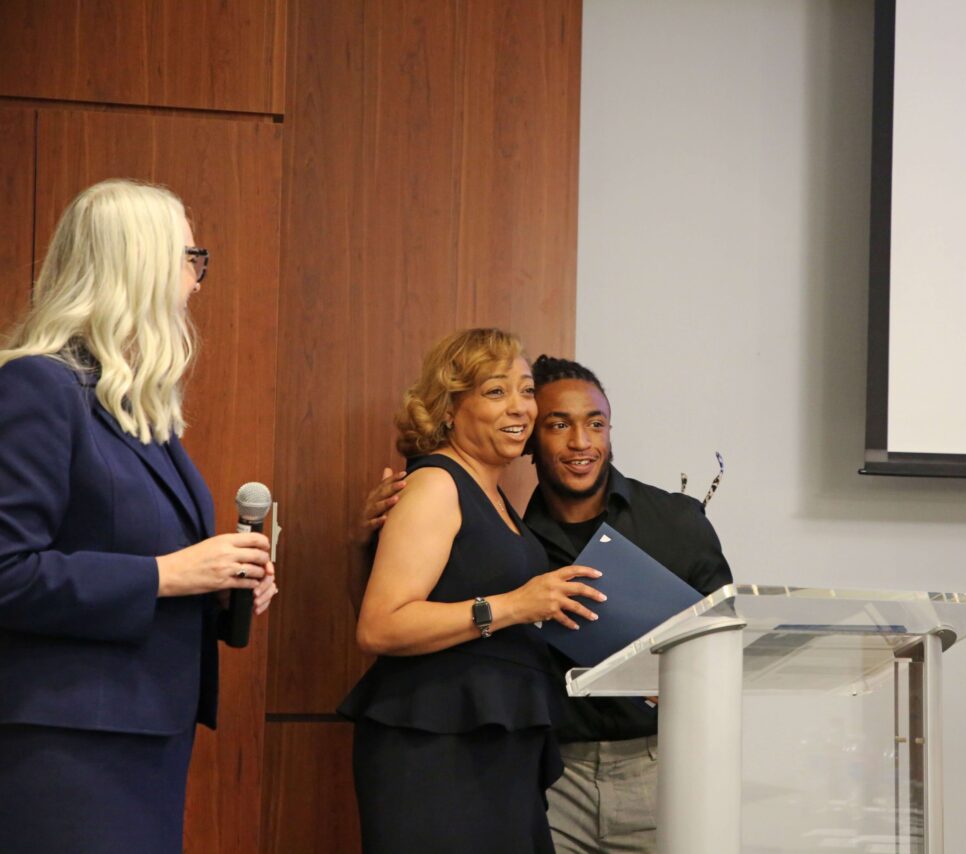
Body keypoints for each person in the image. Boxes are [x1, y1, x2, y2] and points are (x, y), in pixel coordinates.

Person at [0, 179, 278, 854]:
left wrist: (220, 586)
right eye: (191, 258)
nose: (197, 281)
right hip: (68, 747)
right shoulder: (39, 386)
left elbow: (144, 561)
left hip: (144, 736)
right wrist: (169, 575)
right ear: (141, 265)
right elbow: (8, 572)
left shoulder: (128, 401)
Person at [357, 354, 733, 853]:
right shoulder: (513, 539)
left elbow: (724, 641)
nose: (581, 442)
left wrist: (686, 679)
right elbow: (396, 616)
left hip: (654, 764)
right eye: (558, 425)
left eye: (596, 424)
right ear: (531, 439)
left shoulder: (676, 521)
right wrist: (369, 538)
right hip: (551, 772)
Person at [338, 329, 605, 854]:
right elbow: (379, 627)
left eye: (526, 390)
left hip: (494, 746)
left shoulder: (494, 495)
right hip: (437, 750)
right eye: (496, 391)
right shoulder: (437, 484)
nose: (520, 407)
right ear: (448, 408)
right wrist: (514, 605)